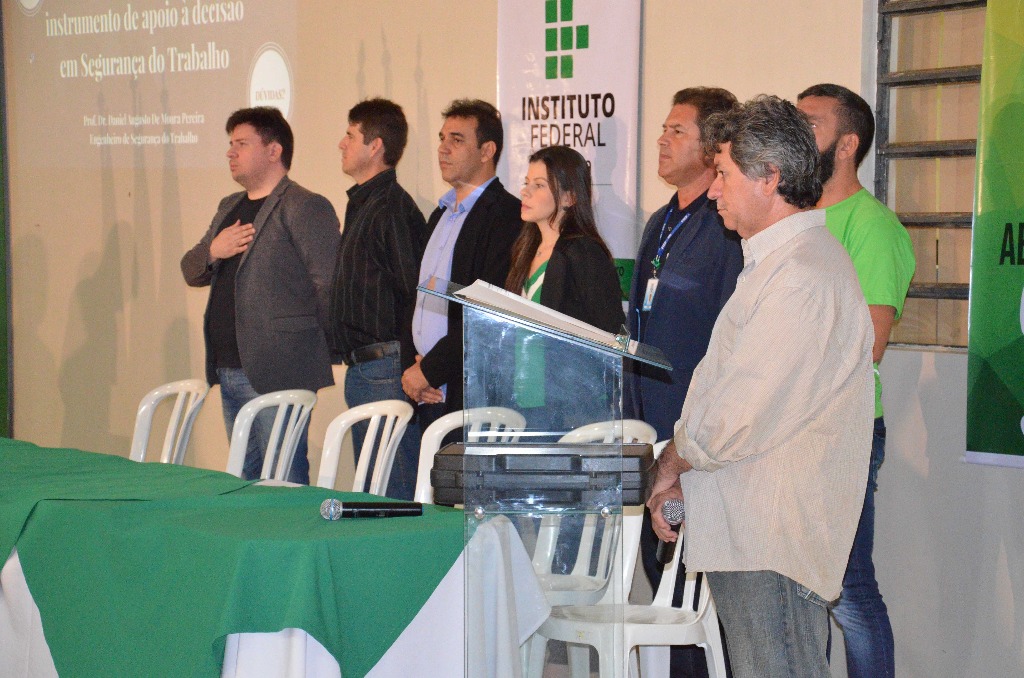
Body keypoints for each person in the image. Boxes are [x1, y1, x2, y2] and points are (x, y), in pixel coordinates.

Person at [647, 95, 875, 678]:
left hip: (772, 537)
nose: (714, 191)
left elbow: (737, 415)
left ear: (769, 177)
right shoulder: (779, 263)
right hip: (753, 530)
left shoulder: (801, 273)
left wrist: (672, 460)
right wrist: (680, 470)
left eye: (724, 173)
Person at [624, 87, 743, 678]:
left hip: (696, 437)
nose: (662, 140)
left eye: (678, 131)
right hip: (646, 426)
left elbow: (728, 339)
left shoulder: (726, 228)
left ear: (714, 146)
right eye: (663, 129)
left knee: (701, 592)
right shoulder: (660, 220)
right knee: (661, 570)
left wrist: (697, 434)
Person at [797, 83, 914, 678]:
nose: (797, 133)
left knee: (848, 588)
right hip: (788, 430)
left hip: (842, 428)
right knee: (797, 588)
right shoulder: (795, 220)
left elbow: (869, 343)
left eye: (810, 124)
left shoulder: (872, 226)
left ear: (847, 145)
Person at [181, 107, 341, 484]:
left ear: (273, 150)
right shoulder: (229, 206)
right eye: (230, 144)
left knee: (283, 479)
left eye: (241, 143)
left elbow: (328, 284)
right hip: (229, 365)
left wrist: (314, 349)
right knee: (245, 481)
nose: (230, 152)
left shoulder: (304, 205)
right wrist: (214, 251)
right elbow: (190, 269)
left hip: (280, 368)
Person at [401, 99, 522, 432]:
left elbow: (486, 312)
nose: (443, 149)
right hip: (425, 391)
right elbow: (417, 298)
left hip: (469, 393)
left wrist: (430, 370)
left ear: (487, 151)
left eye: (456, 140)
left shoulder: (506, 216)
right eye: (442, 138)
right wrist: (413, 369)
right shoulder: (439, 214)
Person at [330, 98, 427, 499]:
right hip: (367, 368)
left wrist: (410, 366)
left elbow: (414, 292)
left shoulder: (390, 208)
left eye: (350, 136)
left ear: (375, 146)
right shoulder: (363, 203)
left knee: (390, 494)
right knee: (373, 490)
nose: (341, 144)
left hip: (386, 368)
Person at [505, 144, 624, 431]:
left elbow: (609, 332)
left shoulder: (584, 253)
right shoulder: (525, 249)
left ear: (569, 197)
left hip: (570, 405)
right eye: (526, 183)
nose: (525, 192)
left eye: (539, 185)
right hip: (523, 398)